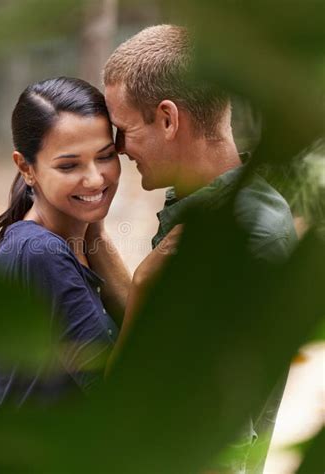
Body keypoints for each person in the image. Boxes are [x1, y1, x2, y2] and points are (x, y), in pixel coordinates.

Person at [98, 25, 298, 473]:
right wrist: (91, 234)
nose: (117, 149)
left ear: (168, 119)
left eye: (123, 129)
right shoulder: (214, 209)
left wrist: (147, 280)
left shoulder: (241, 242)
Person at [0, 77, 131, 408]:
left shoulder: (69, 242)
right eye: (69, 165)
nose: (95, 178)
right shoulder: (41, 253)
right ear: (26, 168)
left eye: (106, 156)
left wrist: (96, 231)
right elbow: (120, 391)